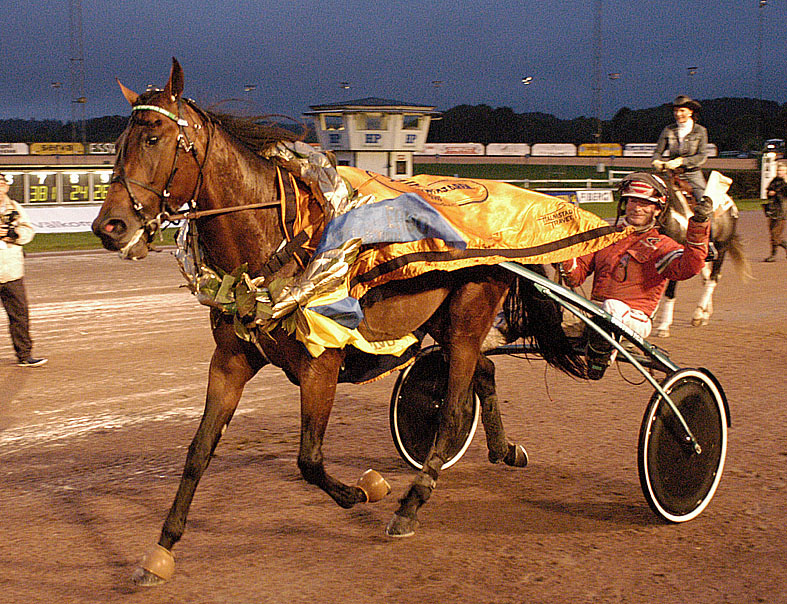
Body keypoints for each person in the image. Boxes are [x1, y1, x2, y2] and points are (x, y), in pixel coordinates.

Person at [559, 172, 712, 379]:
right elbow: (575, 277)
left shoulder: (662, 245)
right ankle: (498, 338)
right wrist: (561, 253)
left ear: (657, 209)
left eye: (645, 203)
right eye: (632, 201)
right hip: (596, 316)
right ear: (624, 203)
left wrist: (699, 227)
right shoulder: (606, 237)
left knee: (613, 307)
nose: (637, 207)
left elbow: (688, 268)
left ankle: (599, 359)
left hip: (634, 318)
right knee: (543, 304)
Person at [0, 174, 47, 367]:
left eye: (2, 184)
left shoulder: (15, 208)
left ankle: (25, 355)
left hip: (11, 271)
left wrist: (14, 234)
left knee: (19, 315)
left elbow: (28, 231)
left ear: (6, 188)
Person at [763, 161, 787, 262]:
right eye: (778, 170)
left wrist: (776, 192)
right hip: (772, 209)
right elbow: (768, 190)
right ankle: (773, 254)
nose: (779, 172)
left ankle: (781, 249)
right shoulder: (775, 181)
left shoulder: (785, 183)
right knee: (772, 234)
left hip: (781, 210)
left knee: (775, 234)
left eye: (782, 170)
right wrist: (770, 192)